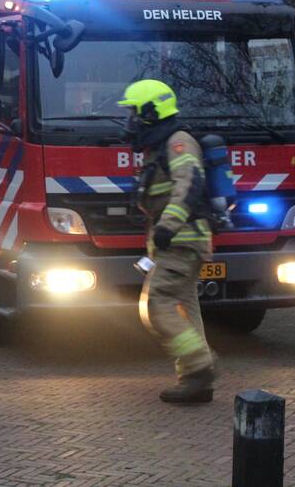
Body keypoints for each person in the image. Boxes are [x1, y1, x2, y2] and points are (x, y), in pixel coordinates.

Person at [119, 79, 216, 404]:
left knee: (156, 305)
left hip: (181, 241)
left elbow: (189, 184)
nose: (130, 120)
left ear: (150, 111)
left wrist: (168, 227)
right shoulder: (159, 147)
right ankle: (195, 380)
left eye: (133, 112)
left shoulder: (178, 142)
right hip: (177, 243)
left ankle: (201, 366)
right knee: (184, 307)